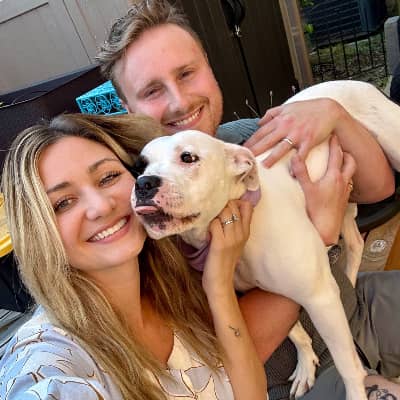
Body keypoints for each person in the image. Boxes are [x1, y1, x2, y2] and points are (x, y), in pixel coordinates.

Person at [95, 1, 400, 399]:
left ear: (209, 68)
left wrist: (335, 114)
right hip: (292, 378)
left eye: (187, 73)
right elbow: (212, 368)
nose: (180, 101)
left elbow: (379, 190)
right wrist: (320, 235)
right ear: (127, 108)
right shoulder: (141, 214)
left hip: (355, 306)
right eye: (152, 90)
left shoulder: (253, 138)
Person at [0, 113, 267, 400]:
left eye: (109, 177)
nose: (101, 206)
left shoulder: (176, 285)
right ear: (37, 232)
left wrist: (219, 285)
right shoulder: (47, 357)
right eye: (63, 203)